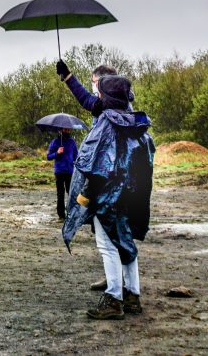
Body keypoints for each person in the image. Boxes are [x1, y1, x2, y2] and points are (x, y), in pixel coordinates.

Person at [62, 76, 155, 320]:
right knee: (125, 242)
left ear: (108, 97)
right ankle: (133, 295)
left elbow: (99, 164)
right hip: (129, 194)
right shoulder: (134, 123)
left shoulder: (107, 123)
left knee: (107, 246)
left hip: (107, 197)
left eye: (101, 92)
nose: (98, 96)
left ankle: (114, 298)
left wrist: (85, 195)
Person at [46, 127, 78, 220]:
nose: (67, 131)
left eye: (68, 130)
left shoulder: (72, 142)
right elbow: (48, 156)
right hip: (59, 171)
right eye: (65, 130)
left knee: (71, 192)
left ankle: (72, 212)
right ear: (60, 130)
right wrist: (57, 153)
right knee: (60, 193)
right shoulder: (55, 142)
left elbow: (76, 156)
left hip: (70, 171)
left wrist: (76, 163)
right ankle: (61, 215)